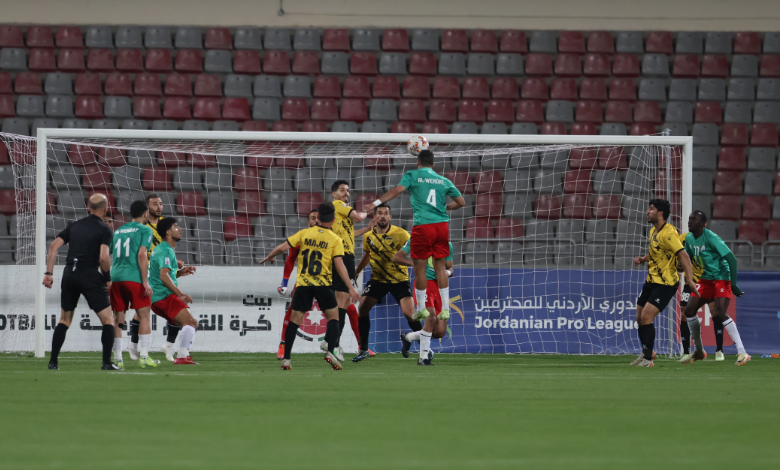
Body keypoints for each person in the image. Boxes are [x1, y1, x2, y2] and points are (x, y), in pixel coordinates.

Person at [364, 149, 465, 362]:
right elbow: (461, 202)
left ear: (418, 161)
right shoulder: (444, 180)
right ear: (433, 164)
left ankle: (419, 309)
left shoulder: (413, 175)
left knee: (419, 267)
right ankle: (444, 310)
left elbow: (396, 190)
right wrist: (443, 207)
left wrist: (375, 204)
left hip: (423, 226)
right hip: (442, 226)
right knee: (440, 267)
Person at [259, 202, 360, 371]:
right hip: (323, 285)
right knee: (334, 319)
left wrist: (270, 256)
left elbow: (283, 247)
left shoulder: (304, 233)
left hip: (304, 285)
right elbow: (340, 265)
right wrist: (350, 287)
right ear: (333, 220)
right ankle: (330, 352)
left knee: (294, 321)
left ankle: (286, 359)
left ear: (318, 218)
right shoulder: (335, 239)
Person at [43, 194, 118, 370]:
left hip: (69, 274)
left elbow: (53, 247)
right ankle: (107, 363)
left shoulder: (74, 226)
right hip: (89, 274)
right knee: (108, 319)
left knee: (64, 320)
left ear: (88, 207)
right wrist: (107, 279)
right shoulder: (105, 229)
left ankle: (53, 362)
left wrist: (49, 273)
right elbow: (104, 257)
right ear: (106, 208)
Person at [632, 199, 699, 367]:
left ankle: (648, 360)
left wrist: (689, 280)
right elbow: (657, 253)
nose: (647, 211)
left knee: (646, 317)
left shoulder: (669, 234)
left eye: (651, 209)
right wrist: (643, 259)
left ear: (660, 213)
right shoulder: (653, 231)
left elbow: (683, 255)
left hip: (666, 283)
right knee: (639, 318)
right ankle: (648, 351)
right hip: (651, 280)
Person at [679, 211, 750, 366]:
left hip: (722, 276)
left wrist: (734, 284)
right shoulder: (689, 238)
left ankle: (742, 352)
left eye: (694, 219)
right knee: (689, 311)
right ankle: (699, 351)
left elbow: (732, 259)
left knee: (720, 312)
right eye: (689, 219)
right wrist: (681, 265)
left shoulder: (712, 238)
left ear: (703, 224)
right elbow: (688, 257)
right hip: (706, 277)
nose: (690, 221)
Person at [352, 204, 414, 362]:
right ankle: (364, 349)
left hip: (399, 279)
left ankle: (424, 347)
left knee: (410, 314)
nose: (383, 216)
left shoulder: (401, 234)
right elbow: (367, 254)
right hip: (378, 279)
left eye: (386, 213)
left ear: (390, 217)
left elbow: (411, 251)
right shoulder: (368, 236)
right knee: (362, 308)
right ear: (375, 216)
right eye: (380, 213)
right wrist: (357, 270)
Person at [128, 194, 185, 362]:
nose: (159, 207)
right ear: (147, 208)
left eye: (160, 204)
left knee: (172, 306)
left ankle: (168, 346)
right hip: (144, 270)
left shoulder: (165, 224)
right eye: (154, 204)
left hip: (158, 269)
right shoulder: (141, 226)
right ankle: (133, 345)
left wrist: (173, 262)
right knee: (142, 310)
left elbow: (167, 248)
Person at [326, 180, 374, 362]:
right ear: (334, 194)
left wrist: (366, 229)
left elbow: (348, 234)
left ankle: (332, 342)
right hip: (343, 256)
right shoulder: (339, 205)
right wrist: (368, 210)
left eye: (347, 190)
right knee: (341, 301)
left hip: (345, 255)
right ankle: (332, 344)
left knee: (343, 302)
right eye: (342, 190)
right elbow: (359, 217)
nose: (346, 193)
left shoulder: (339, 213)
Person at [110, 200, 157, 369]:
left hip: (116, 277)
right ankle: (143, 356)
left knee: (118, 319)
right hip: (134, 278)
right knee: (144, 316)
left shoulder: (118, 231)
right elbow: (142, 255)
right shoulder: (145, 229)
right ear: (145, 213)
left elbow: (108, 253)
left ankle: (118, 359)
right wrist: (145, 281)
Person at [394, 239, 455, 365]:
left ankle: (408, 337)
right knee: (431, 319)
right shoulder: (416, 240)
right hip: (424, 285)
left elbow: (450, 268)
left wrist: (447, 273)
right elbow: (397, 257)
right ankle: (423, 358)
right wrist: (413, 263)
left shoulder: (447, 244)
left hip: (440, 287)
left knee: (440, 332)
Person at [148, 217, 199, 364]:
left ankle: (176, 351)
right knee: (191, 323)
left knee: (188, 322)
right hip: (163, 296)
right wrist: (180, 294)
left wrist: (180, 273)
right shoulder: (165, 250)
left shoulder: (162, 249)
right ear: (168, 233)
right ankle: (182, 356)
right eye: (175, 226)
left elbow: (162, 275)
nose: (180, 229)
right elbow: (164, 276)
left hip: (157, 298)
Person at [275, 209, 318, 360]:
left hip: (326, 282)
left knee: (345, 308)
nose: (316, 221)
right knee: (292, 312)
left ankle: (359, 346)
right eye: (313, 218)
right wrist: (284, 282)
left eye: (318, 218)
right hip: (304, 282)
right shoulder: (302, 236)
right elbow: (291, 259)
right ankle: (283, 344)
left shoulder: (330, 237)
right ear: (308, 222)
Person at [678, 230, 722, 361]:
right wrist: (679, 266)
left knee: (715, 311)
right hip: (690, 283)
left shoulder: (709, 238)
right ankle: (686, 352)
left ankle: (719, 350)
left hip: (707, 282)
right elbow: (678, 258)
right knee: (684, 313)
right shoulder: (683, 238)